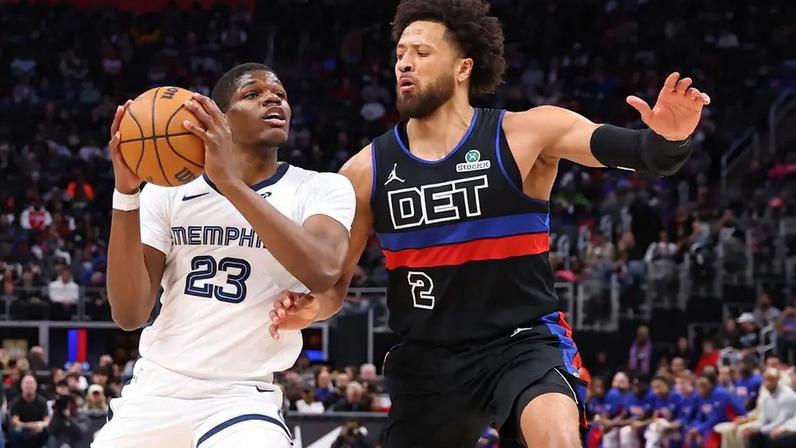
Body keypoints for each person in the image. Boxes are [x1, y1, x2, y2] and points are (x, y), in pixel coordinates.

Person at [270, 0, 710, 445]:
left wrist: (670, 137)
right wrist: (312, 310)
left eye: (422, 53)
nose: (405, 62)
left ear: (463, 68)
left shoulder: (527, 133)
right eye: (401, 52)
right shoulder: (364, 171)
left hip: (521, 341)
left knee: (556, 437)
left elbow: (643, 153)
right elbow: (334, 287)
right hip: (429, 359)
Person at [92, 63, 355, 448]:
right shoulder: (167, 193)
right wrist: (126, 194)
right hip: (157, 390)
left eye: (279, 94)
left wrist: (229, 183)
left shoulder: (320, 188)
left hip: (241, 397)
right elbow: (129, 314)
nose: (272, 98)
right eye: (252, 94)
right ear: (221, 121)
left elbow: (323, 270)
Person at [7, 374, 50, 448]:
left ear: (36, 386)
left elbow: (47, 421)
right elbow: (15, 422)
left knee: (49, 431)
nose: (29, 386)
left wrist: (39, 425)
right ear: (22, 386)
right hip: (23, 429)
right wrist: (30, 426)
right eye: (27, 383)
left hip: (38, 429)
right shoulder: (15, 402)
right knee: (16, 431)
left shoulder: (42, 401)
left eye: (31, 383)